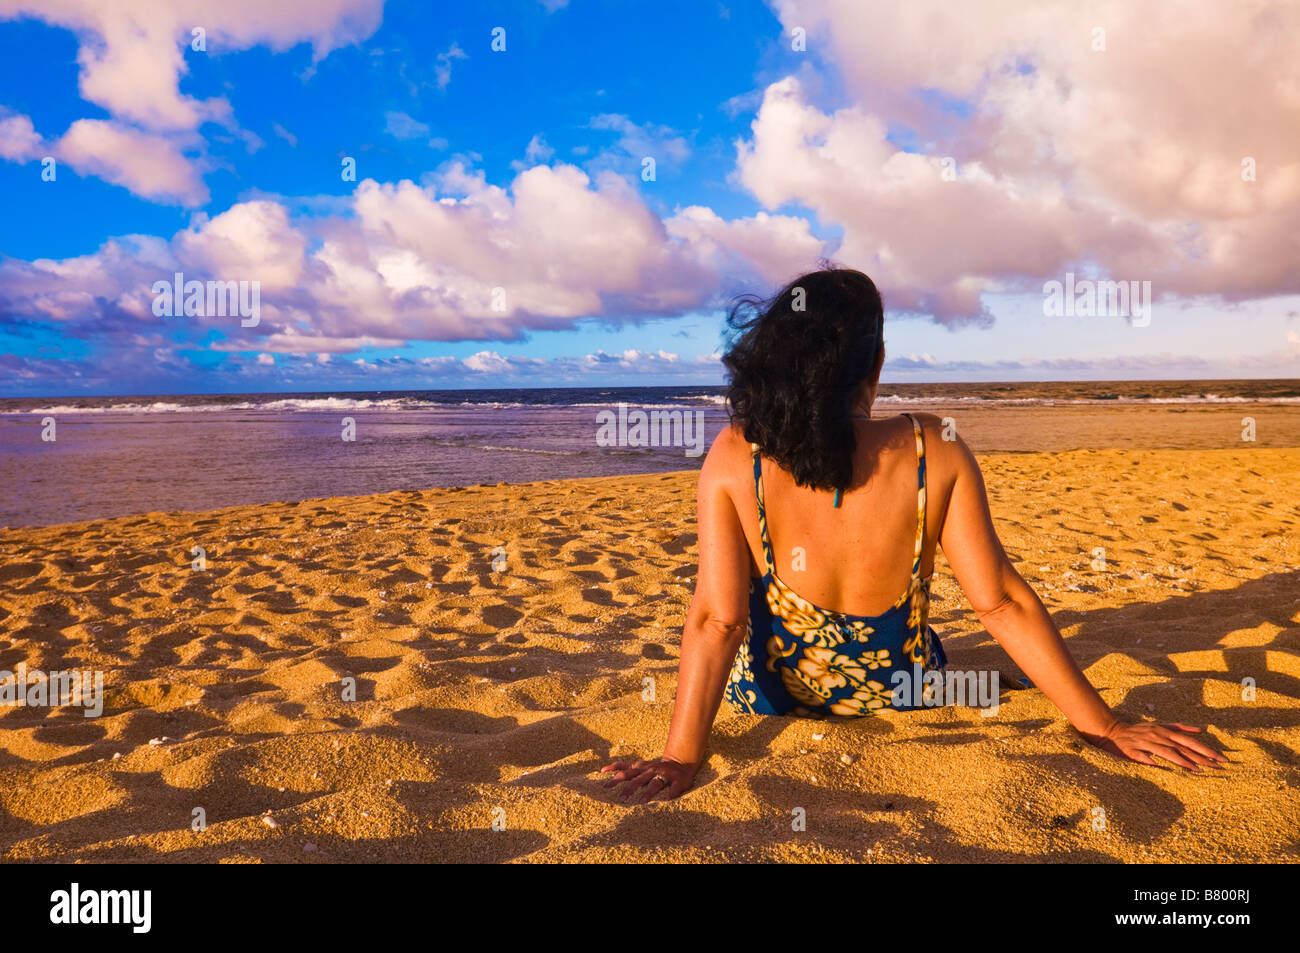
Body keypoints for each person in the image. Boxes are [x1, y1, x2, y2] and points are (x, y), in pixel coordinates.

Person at [602, 266, 1225, 804]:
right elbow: (999, 602)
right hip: (906, 692)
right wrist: (1105, 726)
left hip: (770, 698)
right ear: (874, 362)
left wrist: (681, 756)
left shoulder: (739, 455)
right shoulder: (934, 447)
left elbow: (718, 620)